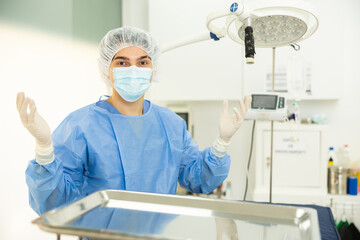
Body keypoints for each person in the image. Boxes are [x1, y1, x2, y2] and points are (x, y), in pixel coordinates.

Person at [16, 26, 252, 215]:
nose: (133, 69)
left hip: (158, 234)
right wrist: (45, 147)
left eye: (142, 62)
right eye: (122, 62)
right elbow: (53, 205)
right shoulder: (81, 126)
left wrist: (222, 142)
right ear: (106, 70)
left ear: (153, 69)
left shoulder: (170, 124)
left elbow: (198, 179)